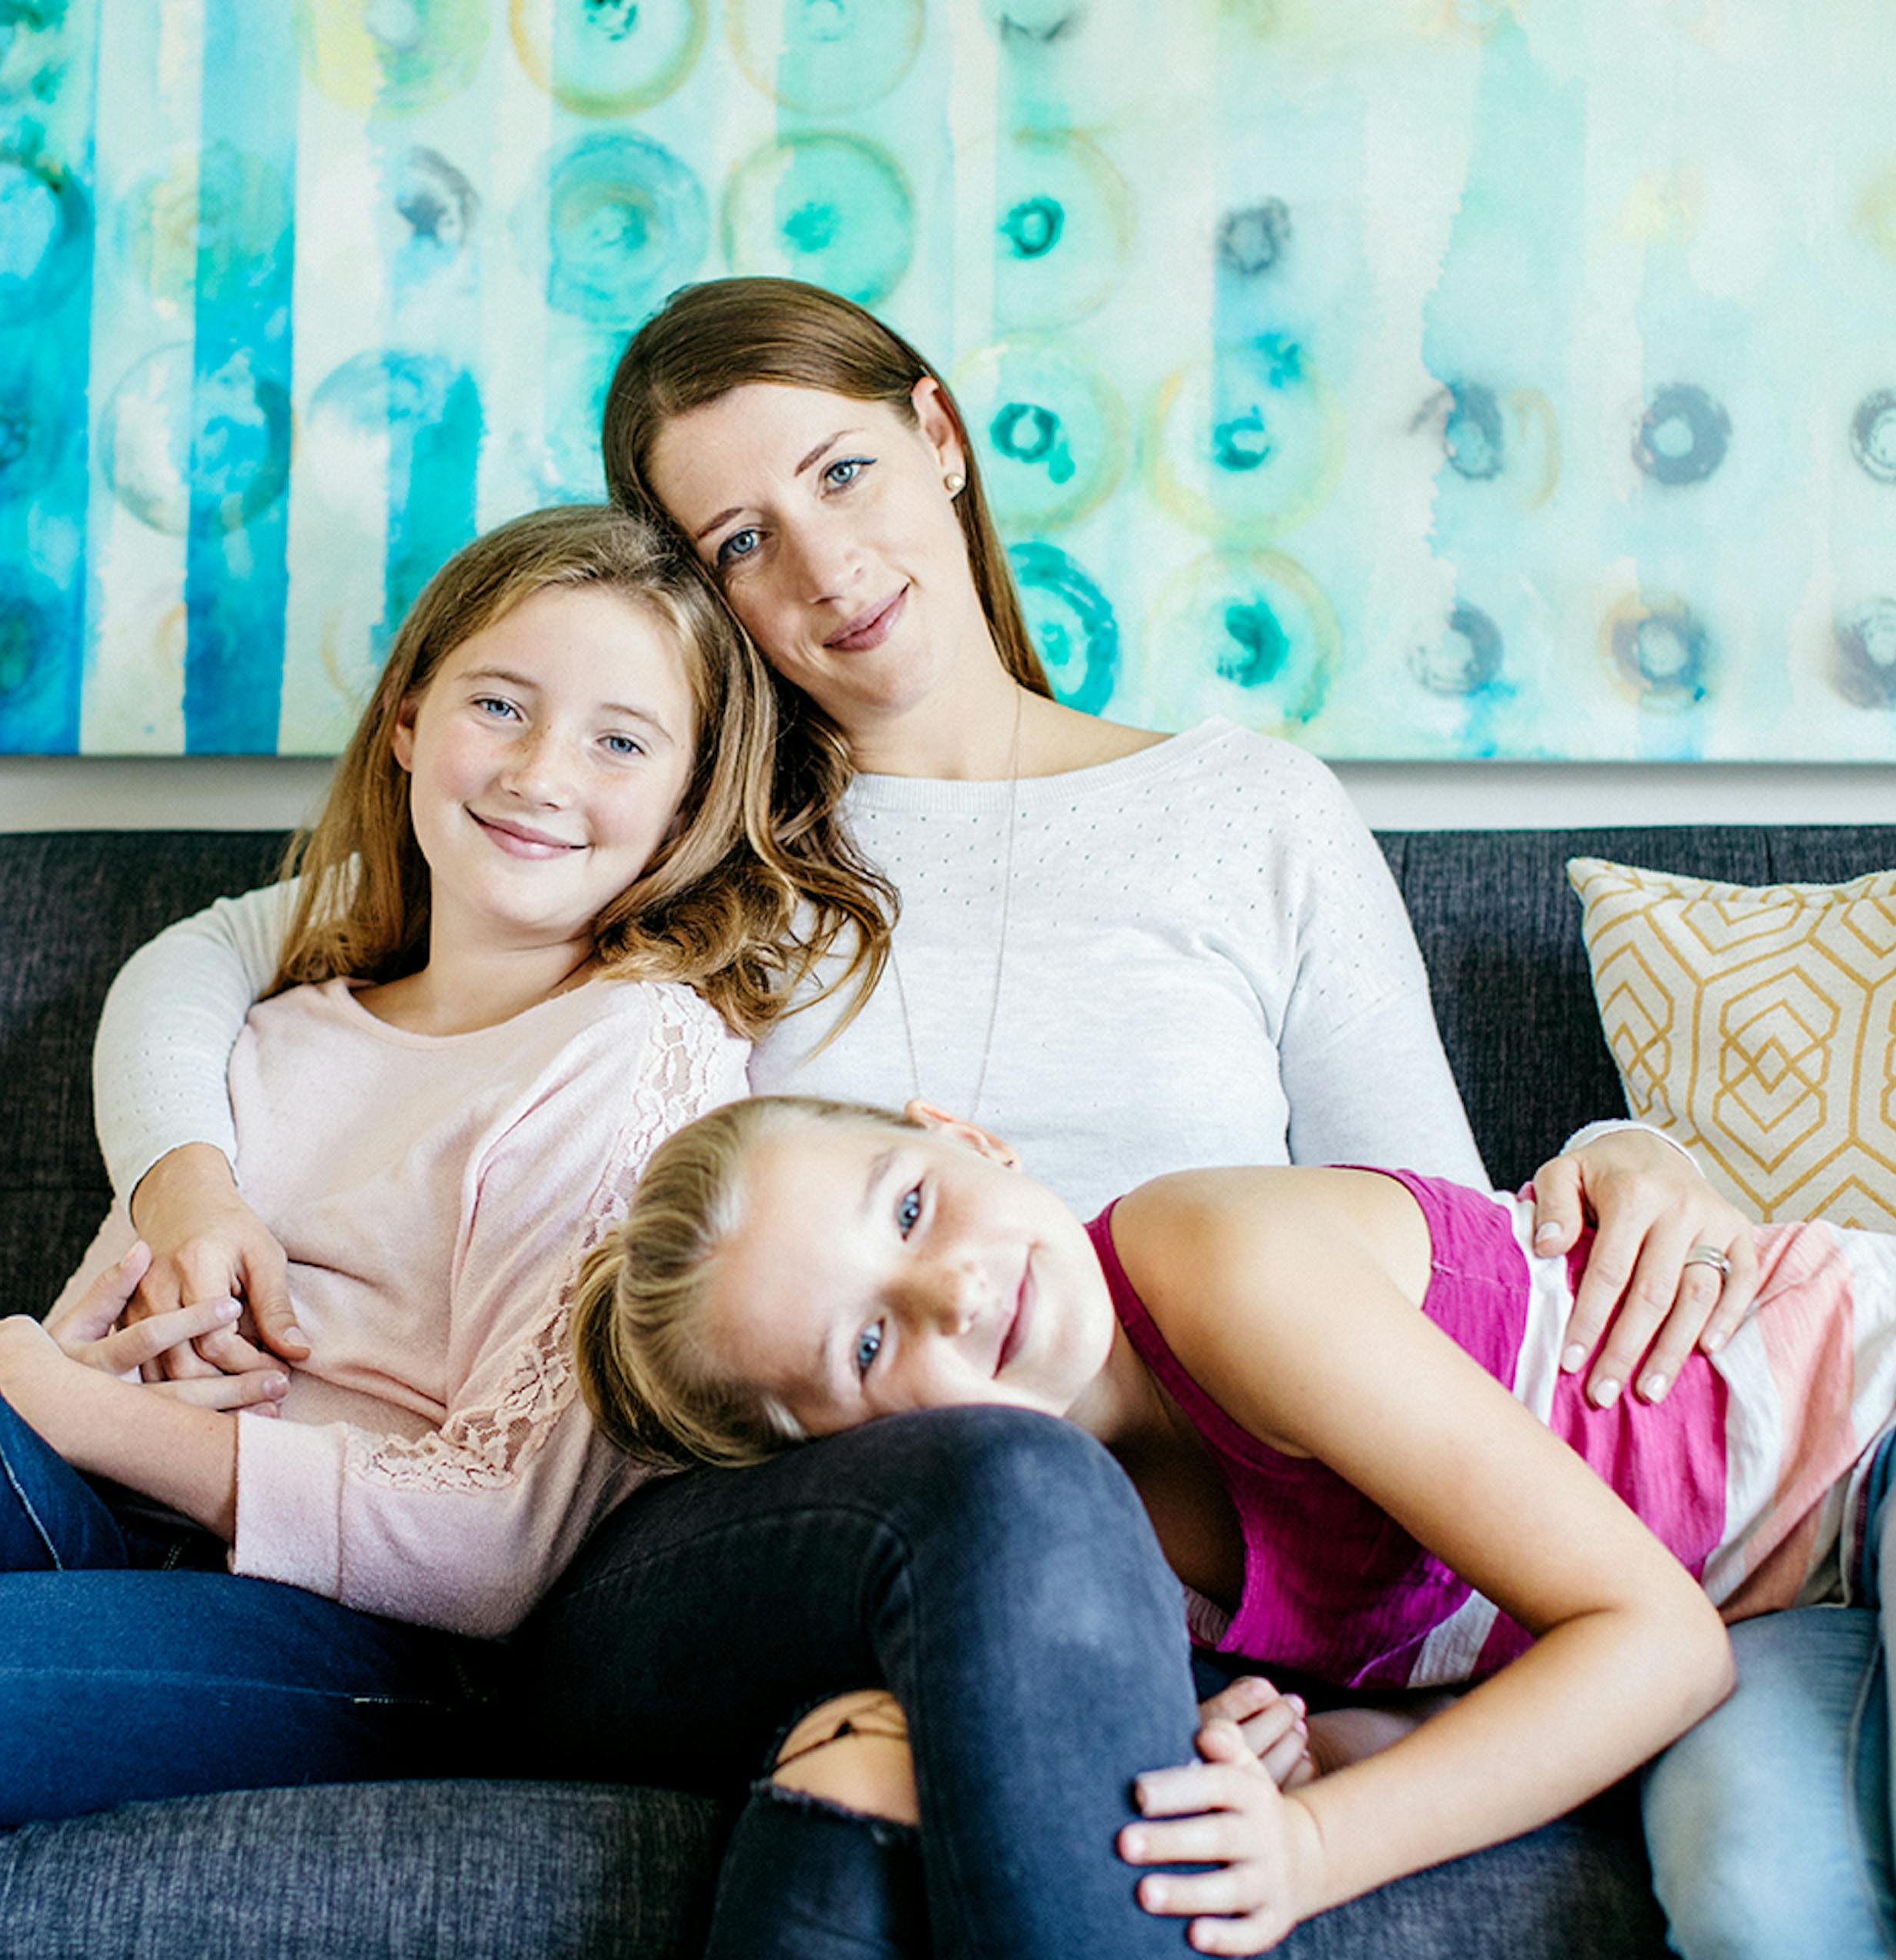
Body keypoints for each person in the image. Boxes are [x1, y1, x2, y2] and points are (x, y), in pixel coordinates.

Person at [93, 276, 1764, 1951]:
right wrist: (184, 1184)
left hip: (1144, 1547)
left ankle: (933, 1731)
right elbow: (218, 952)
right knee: (1001, 1485)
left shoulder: (1249, 810)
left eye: (840, 473)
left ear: (942, 438)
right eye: (740, 541)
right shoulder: (698, 832)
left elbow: (1425, 1241)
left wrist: (1632, 1152)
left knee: (931, 1701)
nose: (821, 566)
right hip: (763, 1521)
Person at [0, 504, 839, 1958]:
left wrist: (65, 1408)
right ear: (413, 721)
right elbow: (105, 1336)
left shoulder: (635, 1050)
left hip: (371, 1629)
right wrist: (66, 1376)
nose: (545, 772)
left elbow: (493, 1544)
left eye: (623, 741)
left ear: (685, 805)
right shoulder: (274, 1025)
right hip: (112, 1536)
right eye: (503, 704)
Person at [572, 1092, 1896, 1959]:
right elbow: (1466, 1621)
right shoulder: (1089, 1550)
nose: (949, 1289)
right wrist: (1325, 1738)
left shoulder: (1219, 1265)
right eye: (866, 1349)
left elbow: (1647, 1638)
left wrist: (1322, 1841)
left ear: (965, 1135)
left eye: (908, 1207)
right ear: (859, 1475)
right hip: (1778, 1609)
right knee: (1765, 1909)